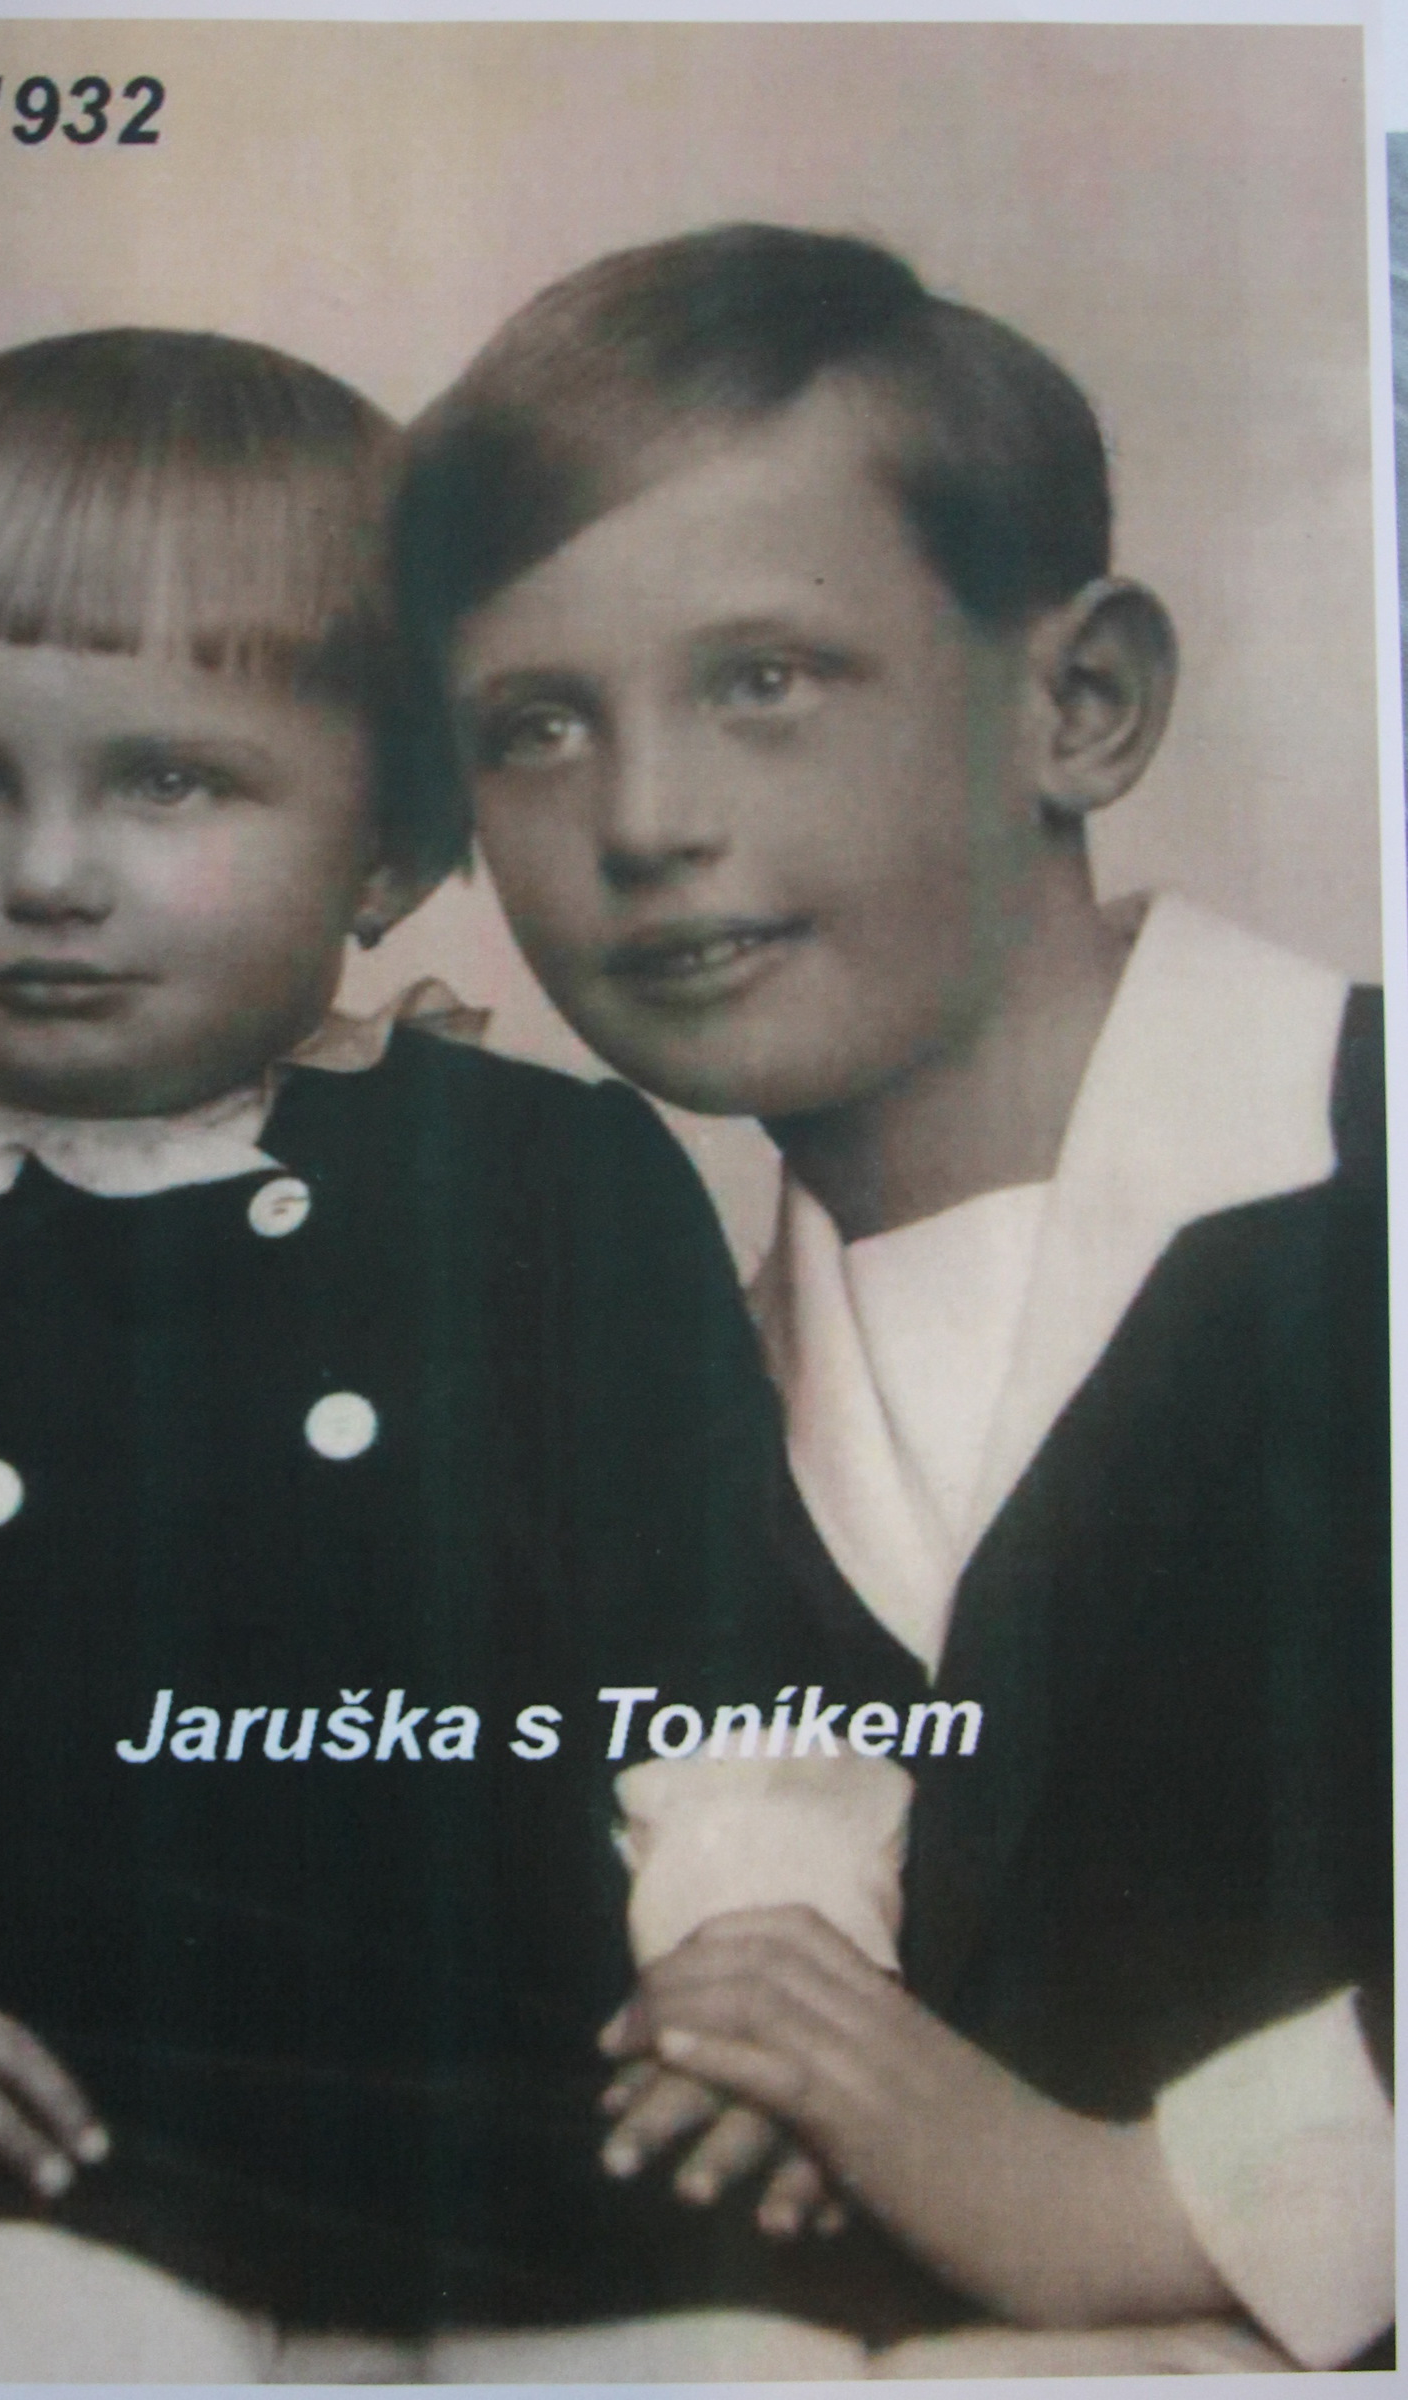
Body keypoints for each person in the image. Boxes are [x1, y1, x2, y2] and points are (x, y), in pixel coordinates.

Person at [0, 325, 833, 2377]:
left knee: (739, 2364)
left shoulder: (544, 1190)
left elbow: (722, 1627)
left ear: (388, 847)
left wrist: (752, 1959)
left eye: (168, 780)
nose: (45, 874)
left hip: (501, 2114)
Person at [394, 224, 1393, 2370]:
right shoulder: (634, 1405)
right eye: (536, 729)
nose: (644, 822)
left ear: (1079, 705)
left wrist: (1168, 2198)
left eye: (763, 681)